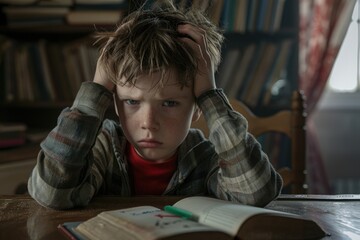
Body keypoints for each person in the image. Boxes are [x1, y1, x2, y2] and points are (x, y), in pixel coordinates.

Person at [28, 2, 282, 210]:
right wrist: (97, 87)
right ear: (115, 102)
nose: (148, 123)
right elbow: (51, 194)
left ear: (197, 108)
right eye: (132, 102)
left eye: (170, 103)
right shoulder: (102, 149)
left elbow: (255, 194)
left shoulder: (203, 158)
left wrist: (208, 94)